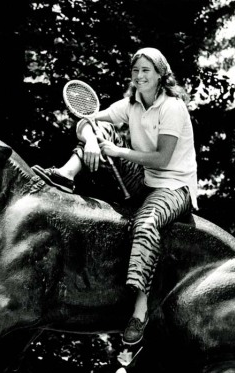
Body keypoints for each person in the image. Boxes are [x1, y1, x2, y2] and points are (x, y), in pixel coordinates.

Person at [33, 47, 198, 345]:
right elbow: (85, 121)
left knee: (146, 224)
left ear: (161, 75)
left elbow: (162, 158)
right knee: (102, 128)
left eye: (146, 70)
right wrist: (93, 140)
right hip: (145, 181)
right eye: (136, 70)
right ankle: (66, 175)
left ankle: (138, 310)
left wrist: (117, 151)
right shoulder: (130, 105)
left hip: (174, 187)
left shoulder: (172, 108)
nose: (139, 76)